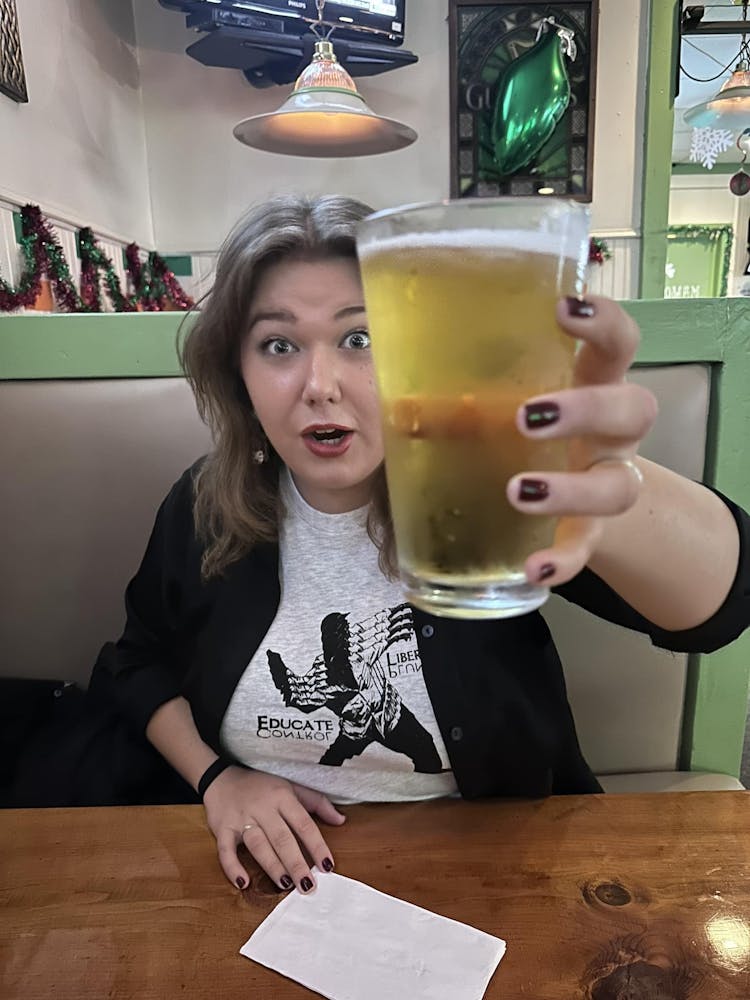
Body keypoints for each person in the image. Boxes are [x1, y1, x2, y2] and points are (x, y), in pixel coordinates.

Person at [98, 193, 750, 897]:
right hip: (266, 879)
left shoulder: (480, 483)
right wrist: (219, 779)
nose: (319, 387)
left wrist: (591, 473)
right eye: (279, 345)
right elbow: (135, 664)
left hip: (501, 873)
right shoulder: (207, 507)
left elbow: (720, 610)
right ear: (241, 375)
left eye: (361, 338)